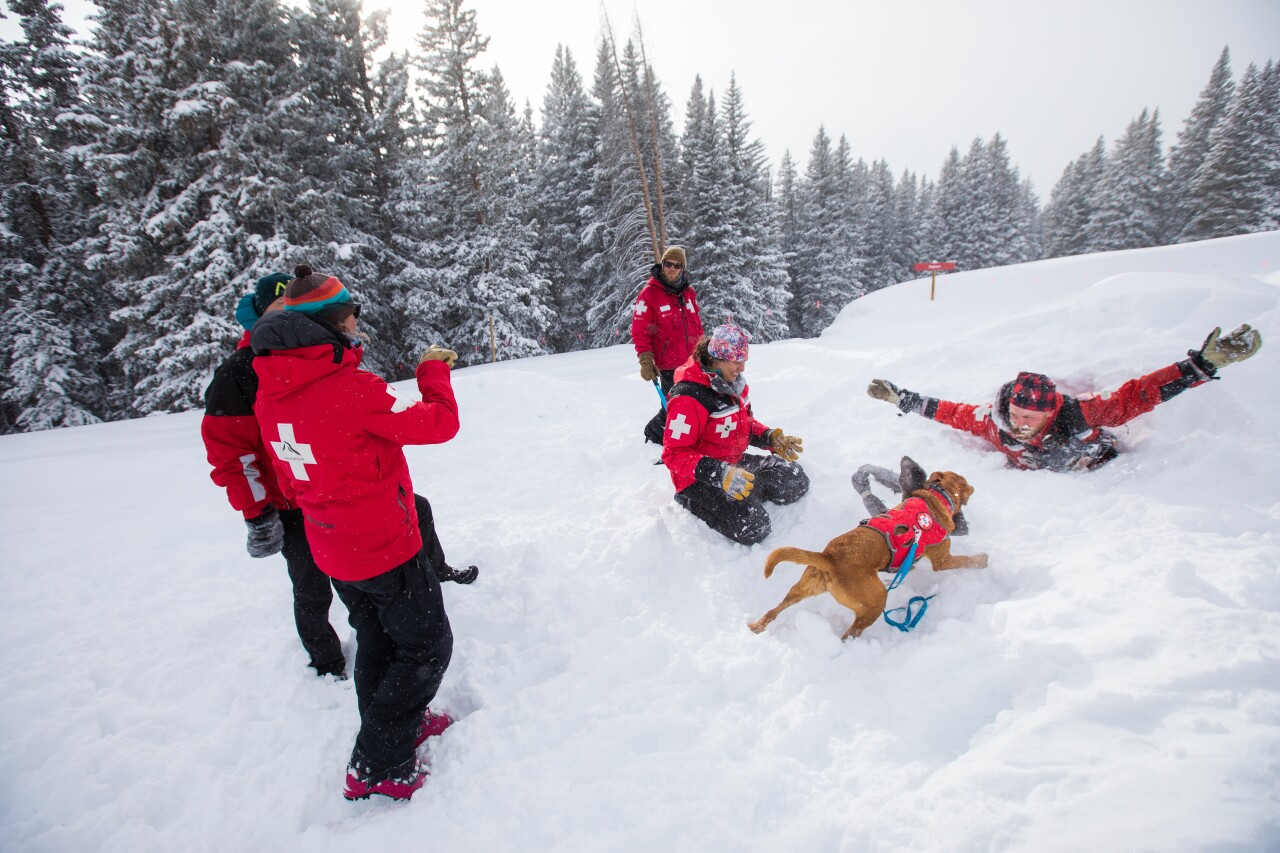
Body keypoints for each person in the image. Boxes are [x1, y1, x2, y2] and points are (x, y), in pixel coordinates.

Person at [250, 265, 460, 801]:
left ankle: (398, 728)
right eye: (351, 315)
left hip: (332, 548)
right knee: (428, 647)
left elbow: (288, 472)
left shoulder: (271, 391)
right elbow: (438, 424)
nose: (357, 324)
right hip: (386, 547)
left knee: (378, 639)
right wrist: (433, 372)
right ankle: (378, 761)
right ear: (329, 326)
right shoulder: (350, 389)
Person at [866, 324, 1264, 473]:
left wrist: (1197, 367)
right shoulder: (993, 421)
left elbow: (1138, 395)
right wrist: (902, 397)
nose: (1021, 423)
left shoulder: (1079, 414)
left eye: (1030, 418)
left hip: (1102, 471)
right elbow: (949, 412)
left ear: (1050, 411)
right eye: (1018, 414)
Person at [201, 272, 346, 679]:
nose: (288, 317)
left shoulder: (324, 353)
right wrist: (257, 513)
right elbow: (231, 452)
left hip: (333, 490)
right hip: (289, 503)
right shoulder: (240, 370)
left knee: (361, 575)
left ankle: (378, 640)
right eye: (279, 307)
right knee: (311, 585)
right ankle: (327, 661)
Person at [661, 323, 809, 545]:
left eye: (744, 362)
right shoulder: (689, 398)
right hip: (700, 478)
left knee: (796, 479)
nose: (742, 368)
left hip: (734, 462)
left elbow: (741, 424)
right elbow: (673, 453)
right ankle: (692, 500)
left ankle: (746, 493)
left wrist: (770, 438)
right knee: (753, 527)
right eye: (737, 362)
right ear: (718, 358)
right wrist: (720, 474)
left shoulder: (733, 384)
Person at [632, 246, 704, 445]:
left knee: (695, 402)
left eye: (677, 265)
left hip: (692, 361)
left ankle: (689, 436)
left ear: (682, 268)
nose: (671, 268)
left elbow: (696, 325)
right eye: (668, 264)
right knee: (675, 405)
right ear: (662, 265)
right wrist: (645, 360)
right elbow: (640, 330)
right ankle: (657, 434)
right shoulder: (649, 295)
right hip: (668, 363)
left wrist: (703, 351)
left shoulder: (688, 293)